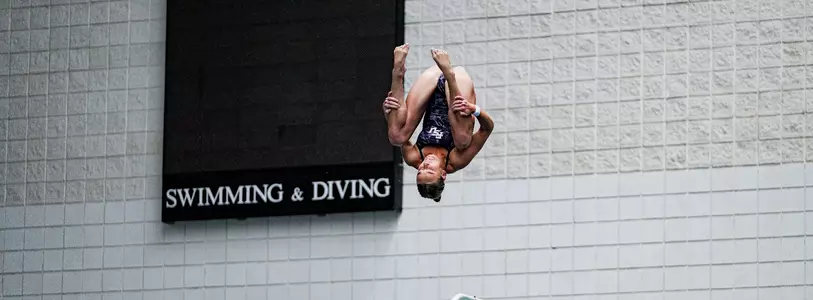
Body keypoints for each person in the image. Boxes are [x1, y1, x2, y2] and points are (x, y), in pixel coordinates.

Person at [383, 44, 495, 202]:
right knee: (463, 140)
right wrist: (474, 110)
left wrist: (388, 112)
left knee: (396, 137)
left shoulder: (413, 157)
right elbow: (487, 129)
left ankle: (397, 72)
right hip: (457, 85)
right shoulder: (456, 160)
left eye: (420, 171)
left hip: (430, 82)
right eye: (429, 171)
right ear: (443, 174)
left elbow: (396, 126)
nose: (423, 166)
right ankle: (449, 73)